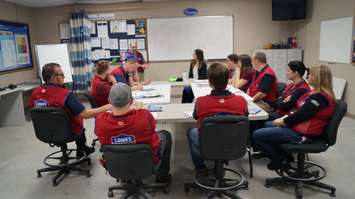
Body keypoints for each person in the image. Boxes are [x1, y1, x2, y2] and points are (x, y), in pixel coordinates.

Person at [253, 65, 336, 170]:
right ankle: (285, 156)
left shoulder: (319, 98)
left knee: (257, 134)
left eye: (310, 75)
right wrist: (284, 119)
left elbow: (301, 115)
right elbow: (298, 110)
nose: (308, 77)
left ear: (317, 78)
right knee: (261, 125)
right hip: (297, 127)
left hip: (305, 134)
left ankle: (280, 159)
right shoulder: (315, 93)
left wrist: (283, 121)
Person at [29, 63, 111, 158]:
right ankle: (81, 148)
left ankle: (81, 148)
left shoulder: (35, 93)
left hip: (44, 132)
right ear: (55, 78)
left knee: (69, 116)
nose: (64, 77)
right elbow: (85, 114)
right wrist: (107, 107)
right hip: (67, 132)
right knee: (78, 119)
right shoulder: (64, 94)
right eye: (62, 75)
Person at [95, 83, 172, 183]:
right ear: (131, 101)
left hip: (116, 165)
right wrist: (140, 109)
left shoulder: (100, 120)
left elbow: (98, 132)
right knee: (165, 134)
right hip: (146, 163)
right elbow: (153, 127)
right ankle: (162, 175)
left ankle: (125, 176)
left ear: (109, 101)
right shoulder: (144, 115)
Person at [186, 63, 249, 171]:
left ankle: (200, 167)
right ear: (228, 80)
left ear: (209, 82)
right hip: (234, 142)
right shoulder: (241, 101)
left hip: (208, 143)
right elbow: (245, 117)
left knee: (191, 131)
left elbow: (195, 116)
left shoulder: (201, 102)